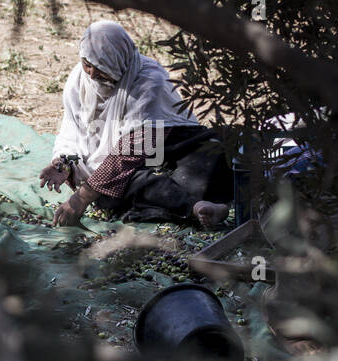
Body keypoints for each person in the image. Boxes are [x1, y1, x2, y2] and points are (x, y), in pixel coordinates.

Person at [39, 20, 232, 228]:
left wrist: (81, 199)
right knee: (119, 188)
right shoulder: (80, 78)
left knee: (203, 171)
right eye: (87, 64)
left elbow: (130, 153)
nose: (92, 74)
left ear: (119, 60)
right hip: (125, 161)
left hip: (169, 146)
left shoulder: (149, 81)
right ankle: (195, 208)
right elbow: (72, 128)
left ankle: (196, 205)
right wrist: (64, 164)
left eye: (101, 67)